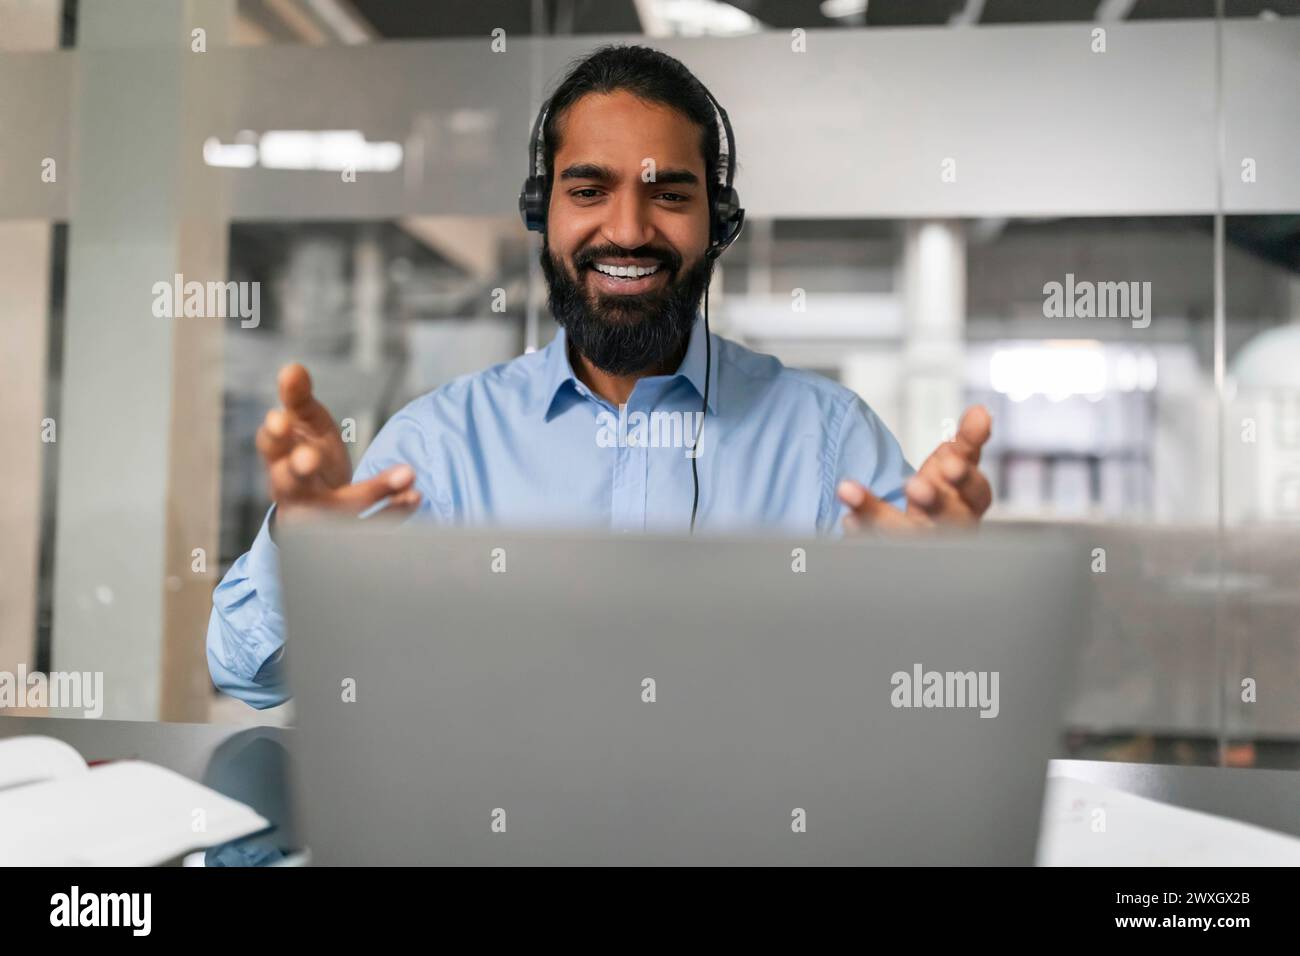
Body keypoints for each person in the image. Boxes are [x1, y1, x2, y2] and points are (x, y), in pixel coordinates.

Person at [207, 44, 993, 709]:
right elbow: (250, 675)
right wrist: (302, 552)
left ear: (718, 224)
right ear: (539, 212)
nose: (626, 230)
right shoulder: (442, 446)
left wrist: (942, 599)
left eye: (670, 195)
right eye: (588, 191)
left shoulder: (828, 441)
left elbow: (932, 691)